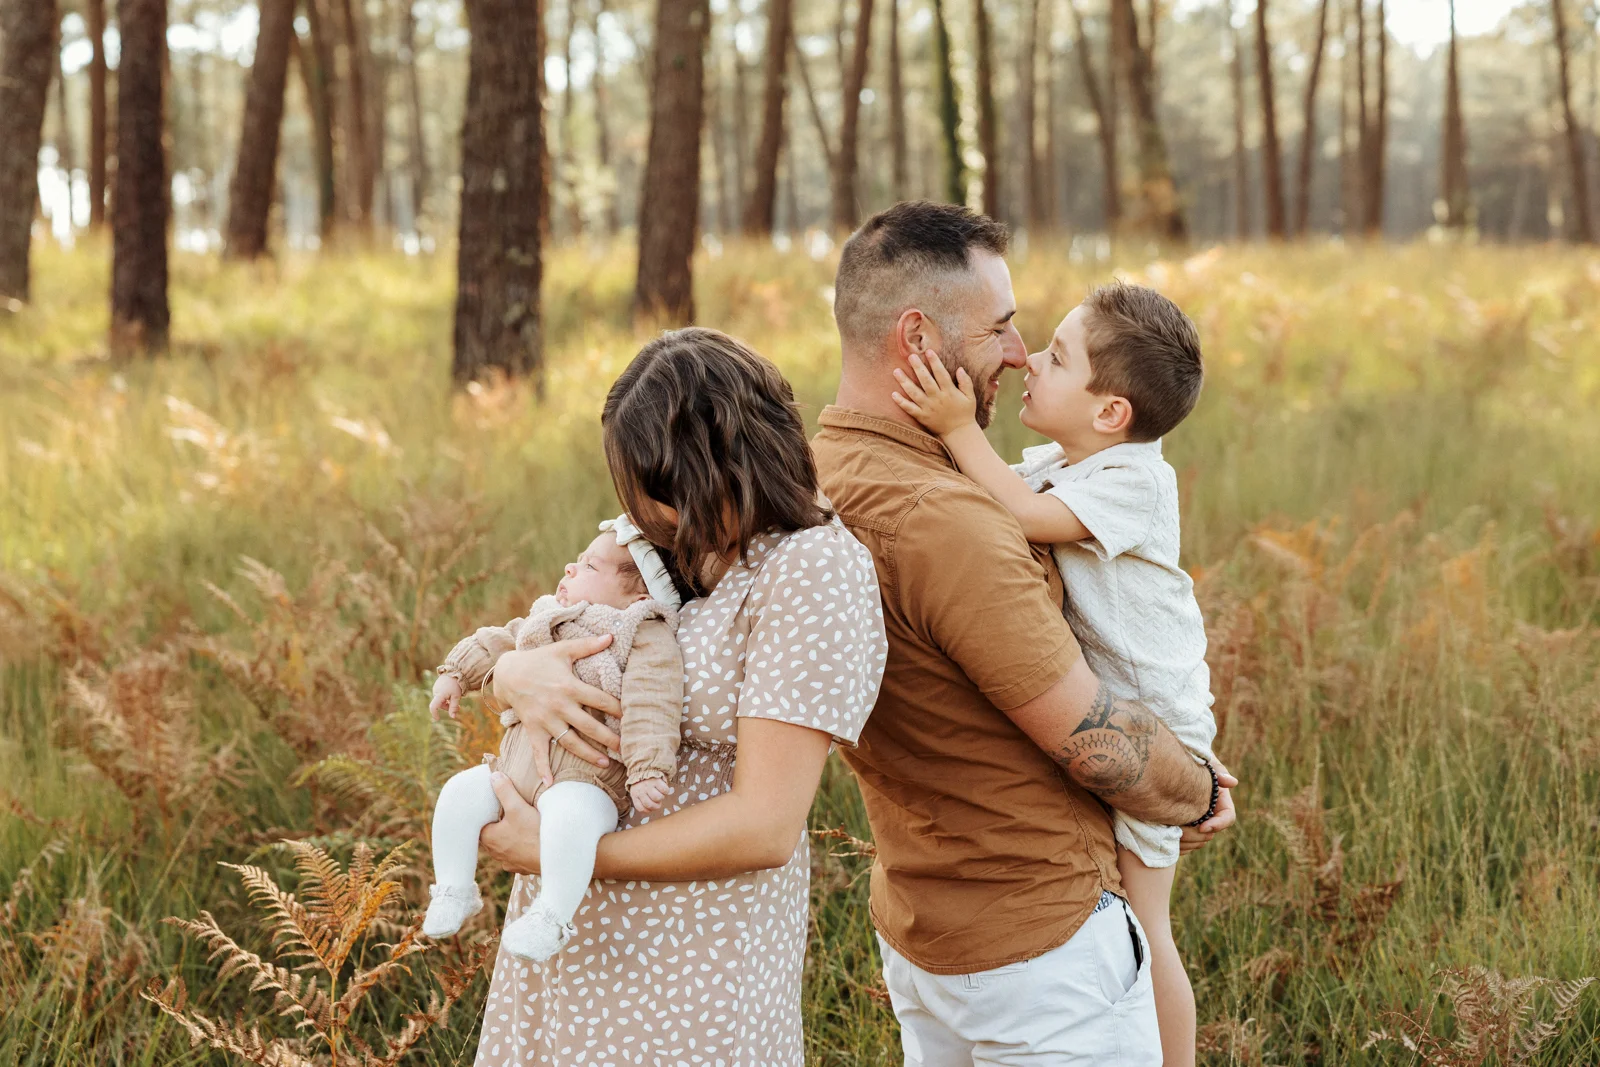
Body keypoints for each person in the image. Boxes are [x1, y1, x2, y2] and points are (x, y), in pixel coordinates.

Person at [811, 200, 1236, 1067]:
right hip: (1043, 959)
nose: (1018, 351)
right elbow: (1093, 742)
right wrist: (1198, 792)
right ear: (919, 339)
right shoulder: (946, 520)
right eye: (1002, 328)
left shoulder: (817, 477)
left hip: (926, 928)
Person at [468, 327, 888, 1067]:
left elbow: (765, 824)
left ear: (720, 465)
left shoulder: (812, 567)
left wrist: (564, 854)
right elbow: (570, 625)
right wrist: (513, 674)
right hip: (576, 943)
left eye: (663, 492)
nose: (652, 516)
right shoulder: (691, 544)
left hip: (691, 966)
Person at [421, 521, 684, 962]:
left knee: (569, 818)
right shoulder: (546, 618)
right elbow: (498, 641)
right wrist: (455, 673)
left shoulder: (641, 634)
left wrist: (647, 768)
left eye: (588, 565)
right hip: (515, 772)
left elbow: (654, 702)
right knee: (458, 794)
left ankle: (552, 916)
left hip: (589, 781)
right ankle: (454, 885)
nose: (569, 567)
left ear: (639, 596)